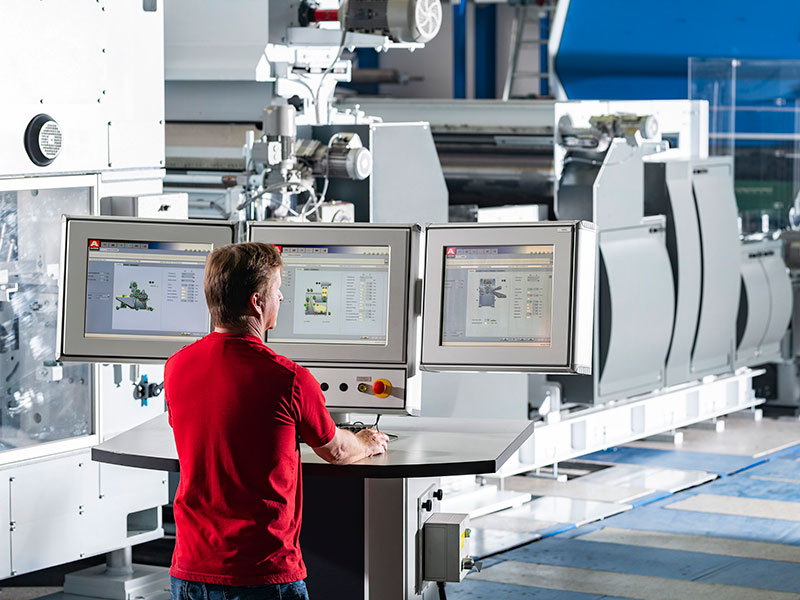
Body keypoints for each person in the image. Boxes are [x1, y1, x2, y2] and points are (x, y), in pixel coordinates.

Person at [165, 242, 389, 600]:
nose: (282, 298)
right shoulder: (289, 378)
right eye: (277, 290)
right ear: (257, 302)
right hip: (261, 575)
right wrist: (366, 441)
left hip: (190, 572)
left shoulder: (176, 366)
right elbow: (336, 451)